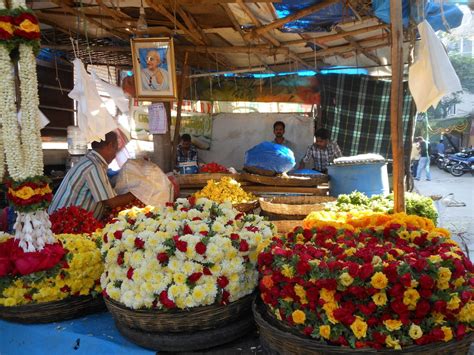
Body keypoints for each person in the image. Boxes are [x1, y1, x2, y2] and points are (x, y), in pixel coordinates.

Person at [49, 131, 136, 219]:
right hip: (64, 224)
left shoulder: (91, 160)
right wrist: (138, 194)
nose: (115, 155)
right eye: (116, 149)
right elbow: (111, 202)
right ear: (110, 145)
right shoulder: (94, 166)